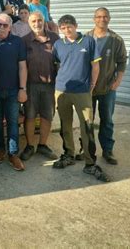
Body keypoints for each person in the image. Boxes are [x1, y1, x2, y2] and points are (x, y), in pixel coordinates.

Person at [52, 14, 110, 182]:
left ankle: (90, 163)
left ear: (76, 26)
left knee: (87, 126)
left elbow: (95, 66)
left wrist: (91, 86)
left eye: (69, 26)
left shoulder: (88, 41)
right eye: (63, 28)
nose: (67, 30)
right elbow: (57, 65)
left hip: (82, 91)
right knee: (65, 125)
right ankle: (68, 154)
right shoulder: (58, 44)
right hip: (62, 90)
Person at [0, 13, 27, 171]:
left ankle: (13, 154)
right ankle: (0, 150)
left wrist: (23, 89)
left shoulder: (17, 42)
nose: (1, 28)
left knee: (12, 122)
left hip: (13, 90)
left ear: (10, 27)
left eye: (5, 25)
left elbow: (22, 66)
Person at [86, 7, 127, 165]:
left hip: (108, 88)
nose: (102, 19)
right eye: (99, 17)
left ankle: (107, 150)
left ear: (109, 18)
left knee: (107, 120)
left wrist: (117, 82)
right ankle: (87, 149)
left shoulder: (116, 39)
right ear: (94, 19)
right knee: (87, 120)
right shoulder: (86, 38)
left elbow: (122, 61)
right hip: (88, 89)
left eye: (105, 17)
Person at [20, 12, 59, 161]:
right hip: (30, 85)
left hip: (49, 85)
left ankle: (42, 145)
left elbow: (61, 60)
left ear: (44, 21)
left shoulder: (54, 38)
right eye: (34, 21)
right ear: (29, 23)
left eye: (40, 20)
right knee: (29, 116)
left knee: (47, 116)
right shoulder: (24, 41)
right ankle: (30, 146)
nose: (37, 23)